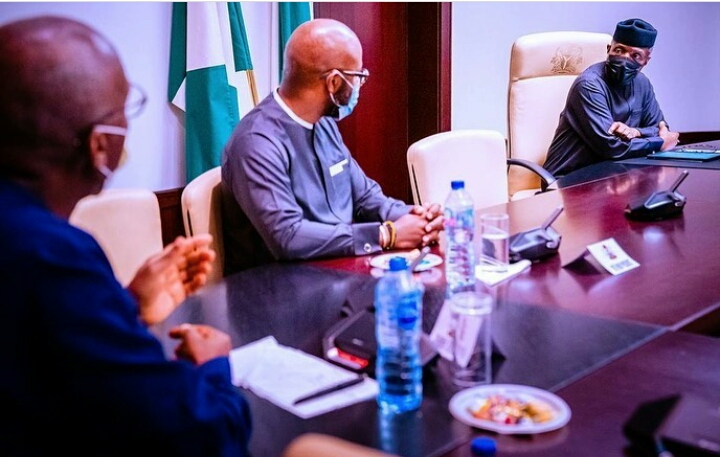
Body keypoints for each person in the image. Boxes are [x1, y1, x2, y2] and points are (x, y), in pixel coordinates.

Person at [0, 16, 251, 455]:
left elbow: (38, 357)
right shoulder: (55, 257)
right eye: (125, 110)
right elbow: (196, 434)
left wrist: (126, 307)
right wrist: (214, 367)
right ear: (99, 143)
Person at [221, 18, 444, 273]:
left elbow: (365, 197)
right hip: (280, 287)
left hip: (338, 270)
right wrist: (385, 234)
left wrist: (416, 217)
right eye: (358, 76)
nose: (360, 85)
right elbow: (288, 236)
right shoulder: (256, 142)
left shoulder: (324, 123)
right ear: (334, 82)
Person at [542, 18, 680, 182]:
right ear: (609, 49)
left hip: (610, 177)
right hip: (568, 180)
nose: (625, 59)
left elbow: (660, 128)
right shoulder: (589, 85)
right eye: (619, 50)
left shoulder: (643, 84)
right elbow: (610, 146)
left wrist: (636, 132)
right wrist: (659, 143)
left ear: (646, 60)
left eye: (636, 55)